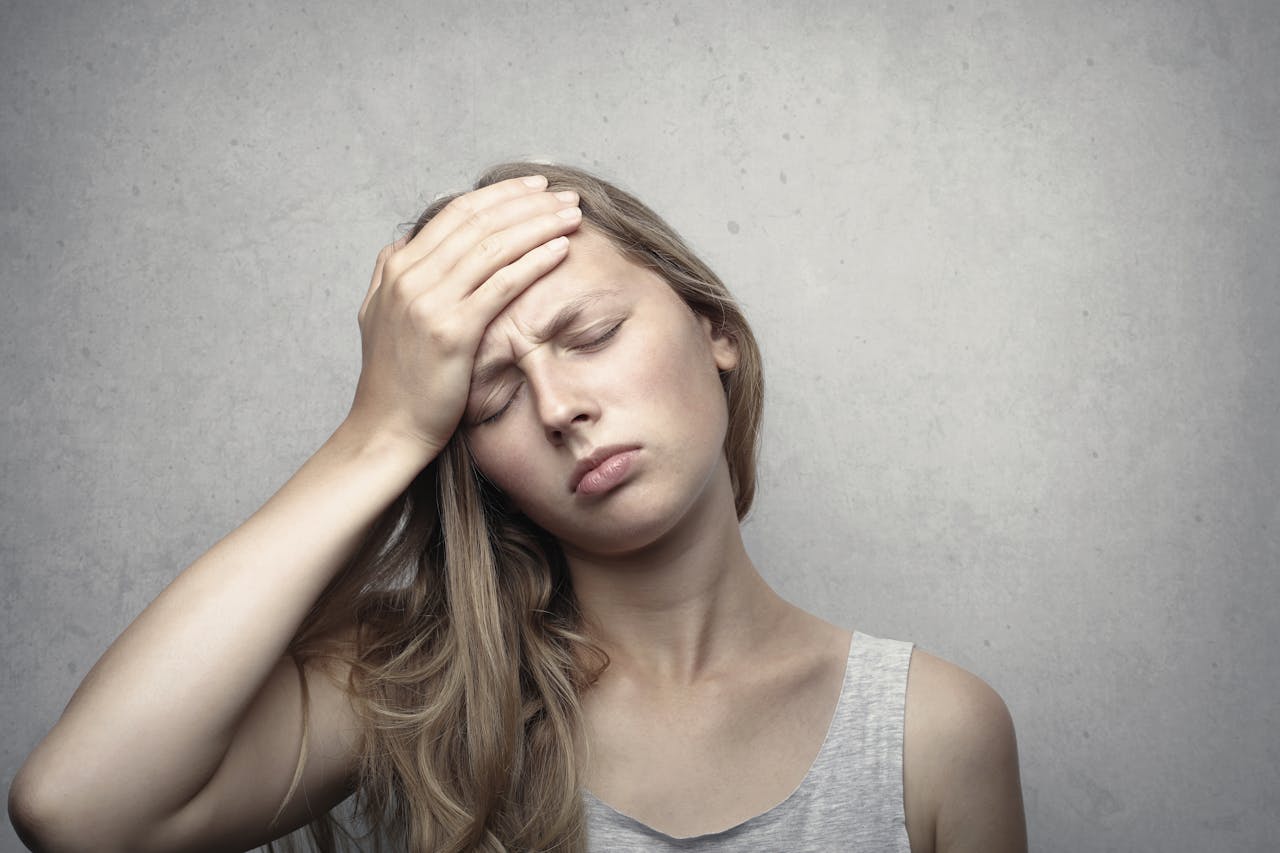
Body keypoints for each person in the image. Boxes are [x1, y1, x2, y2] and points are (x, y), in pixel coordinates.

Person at [8, 163, 1027, 852]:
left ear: (712, 327)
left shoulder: (927, 730)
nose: (559, 406)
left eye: (589, 333)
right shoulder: (415, 694)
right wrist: (383, 429)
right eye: (488, 396)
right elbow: (76, 809)